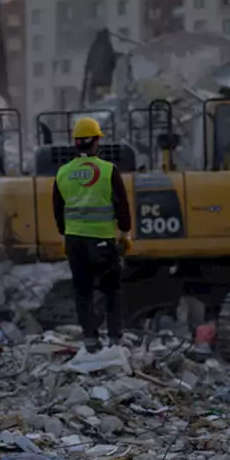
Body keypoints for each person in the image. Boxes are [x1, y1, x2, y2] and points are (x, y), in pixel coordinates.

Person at [51, 117, 133, 353]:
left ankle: (90, 340)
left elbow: (58, 208)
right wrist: (125, 232)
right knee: (111, 289)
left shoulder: (63, 173)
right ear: (96, 142)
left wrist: (65, 233)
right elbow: (122, 205)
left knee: (82, 291)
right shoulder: (108, 171)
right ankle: (115, 338)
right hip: (102, 241)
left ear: (76, 143)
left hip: (75, 241)